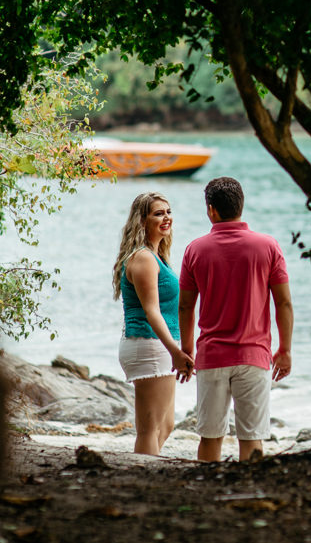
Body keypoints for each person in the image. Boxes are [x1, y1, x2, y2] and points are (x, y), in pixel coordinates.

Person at [179, 177, 294, 462]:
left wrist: (186, 349)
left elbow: (185, 307)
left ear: (211, 210)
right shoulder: (268, 246)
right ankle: (250, 494)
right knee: (252, 437)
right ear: (241, 205)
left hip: (212, 356)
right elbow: (284, 302)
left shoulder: (195, 249)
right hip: (254, 356)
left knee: (210, 437)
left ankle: (206, 495)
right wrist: (285, 349)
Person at [112, 192, 195, 455]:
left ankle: (143, 470)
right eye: (158, 213)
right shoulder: (144, 258)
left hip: (156, 344)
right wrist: (176, 351)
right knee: (150, 429)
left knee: (166, 425)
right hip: (148, 343)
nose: (166, 217)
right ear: (142, 220)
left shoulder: (156, 257)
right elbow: (152, 312)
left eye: (168, 212)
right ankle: (140, 480)